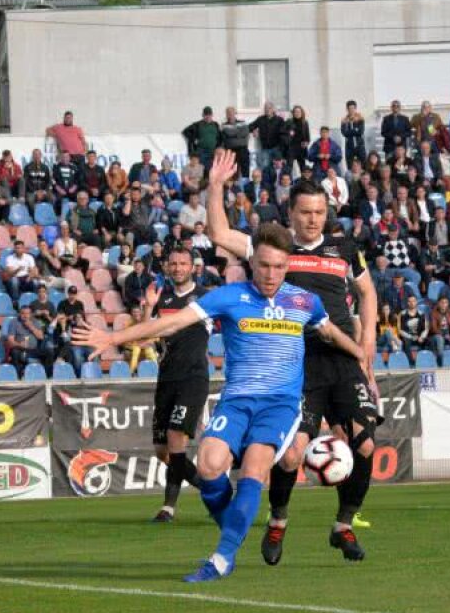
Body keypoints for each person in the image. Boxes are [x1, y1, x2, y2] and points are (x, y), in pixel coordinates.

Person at [74, 223, 362, 582]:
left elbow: (329, 330)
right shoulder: (229, 297)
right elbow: (171, 324)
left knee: (254, 471)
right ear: (250, 262)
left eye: (278, 266)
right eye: (263, 265)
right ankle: (233, 527)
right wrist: (114, 337)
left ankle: (222, 558)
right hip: (237, 400)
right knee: (209, 467)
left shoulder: (304, 301)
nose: (270, 274)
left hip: (280, 405)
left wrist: (360, 355)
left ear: (287, 265)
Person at [201, 150, 381, 561]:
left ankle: (344, 526)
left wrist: (367, 342)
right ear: (291, 212)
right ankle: (278, 519)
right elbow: (219, 233)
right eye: (305, 212)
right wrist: (216, 188)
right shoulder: (272, 246)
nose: (313, 219)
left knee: (366, 446)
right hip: (295, 363)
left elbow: (367, 292)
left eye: (319, 211)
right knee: (293, 455)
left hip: (342, 359)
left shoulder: (344, 247)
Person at [132, 248, 210, 523]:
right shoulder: (161, 297)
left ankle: (168, 507)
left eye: (183, 263)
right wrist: (148, 308)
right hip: (166, 380)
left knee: (177, 438)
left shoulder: (205, 298)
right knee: (163, 451)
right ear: (167, 266)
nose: (178, 268)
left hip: (193, 378)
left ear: (193, 267)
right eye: (173, 263)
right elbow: (143, 338)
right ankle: (213, 489)